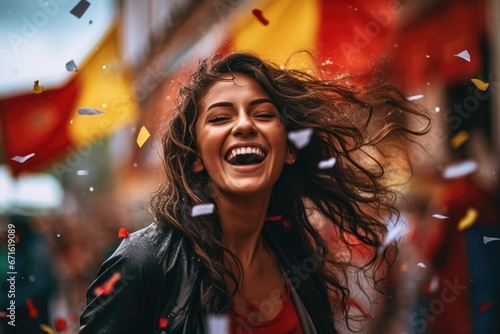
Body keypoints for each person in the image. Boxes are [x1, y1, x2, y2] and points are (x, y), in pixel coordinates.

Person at [79, 52, 430, 333]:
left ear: (290, 150)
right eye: (219, 118)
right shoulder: (145, 263)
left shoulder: (301, 263)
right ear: (197, 157)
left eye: (263, 114)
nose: (244, 125)